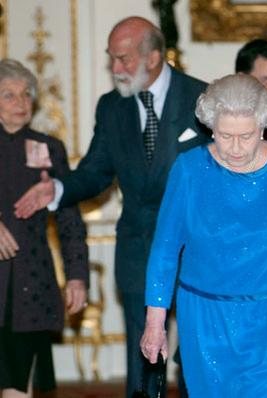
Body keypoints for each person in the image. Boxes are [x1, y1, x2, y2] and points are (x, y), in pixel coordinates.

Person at [13, 17, 208, 397]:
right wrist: (56, 188)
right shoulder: (112, 107)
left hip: (195, 247)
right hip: (137, 249)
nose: (115, 69)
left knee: (196, 352)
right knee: (143, 352)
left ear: (153, 57)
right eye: (111, 59)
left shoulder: (200, 98)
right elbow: (94, 172)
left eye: (123, 59)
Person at [139, 74, 267, 396]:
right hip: (204, 317)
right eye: (225, 136)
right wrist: (155, 322)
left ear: (264, 126)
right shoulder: (189, 169)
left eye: (247, 135)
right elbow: (165, 250)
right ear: (210, 127)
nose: (237, 148)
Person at [0, 59, 88, 398]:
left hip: (29, 287)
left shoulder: (49, 148)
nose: (21, 103)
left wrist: (77, 275)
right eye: (9, 95)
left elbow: (69, 220)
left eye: (26, 95)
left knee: (18, 387)